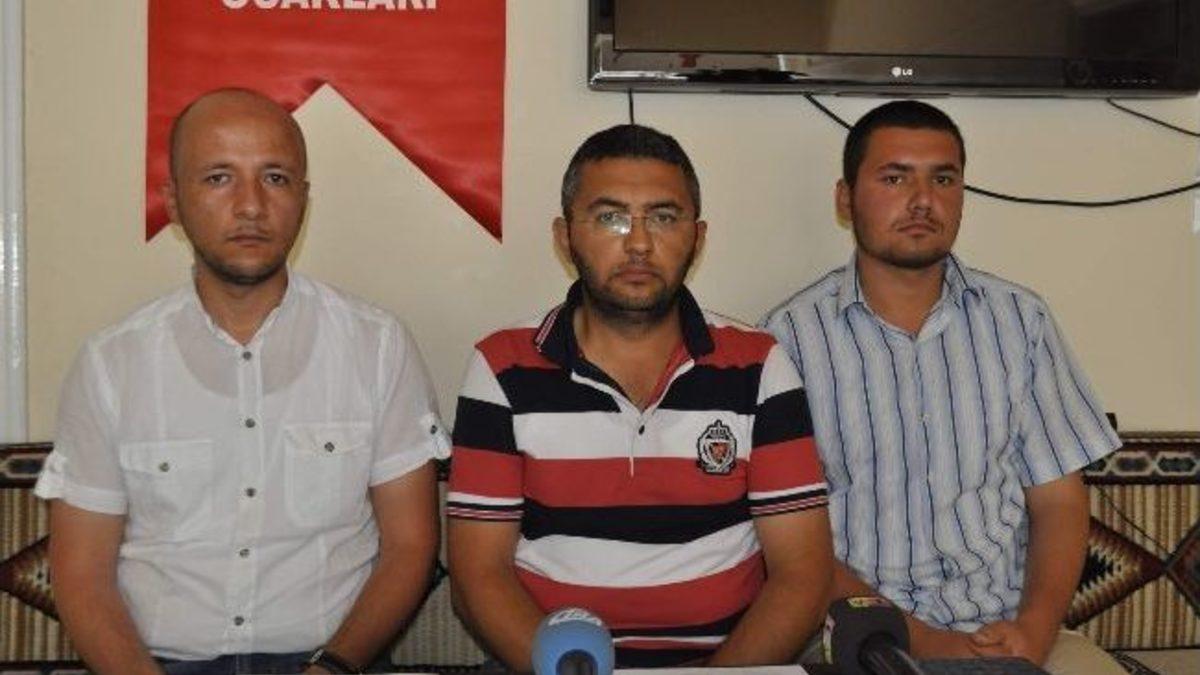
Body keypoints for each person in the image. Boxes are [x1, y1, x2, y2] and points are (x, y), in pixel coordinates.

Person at [35, 88, 448, 675]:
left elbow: (409, 547)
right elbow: (81, 574)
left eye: (275, 178)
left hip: (332, 662)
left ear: (303, 199)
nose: (251, 205)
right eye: (218, 178)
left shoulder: (376, 346)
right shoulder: (112, 363)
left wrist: (332, 668)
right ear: (173, 202)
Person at [446, 124, 833, 670]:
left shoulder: (758, 365)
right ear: (565, 237)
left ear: (697, 237)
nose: (639, 243)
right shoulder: (503, 367)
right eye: (611, 217)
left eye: (664, 217)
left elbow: (803, 575)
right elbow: (478, 577)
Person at [760, 100, 1123, 674]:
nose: (922, 200)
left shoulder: (1020, 322)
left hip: (1009, 630)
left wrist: (1033, 631)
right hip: (853, 638)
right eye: (894, 178)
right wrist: (927, 642)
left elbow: (1058, 502)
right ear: (845, 199)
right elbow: (794, 546)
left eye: (943, 179)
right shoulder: (788, 341)